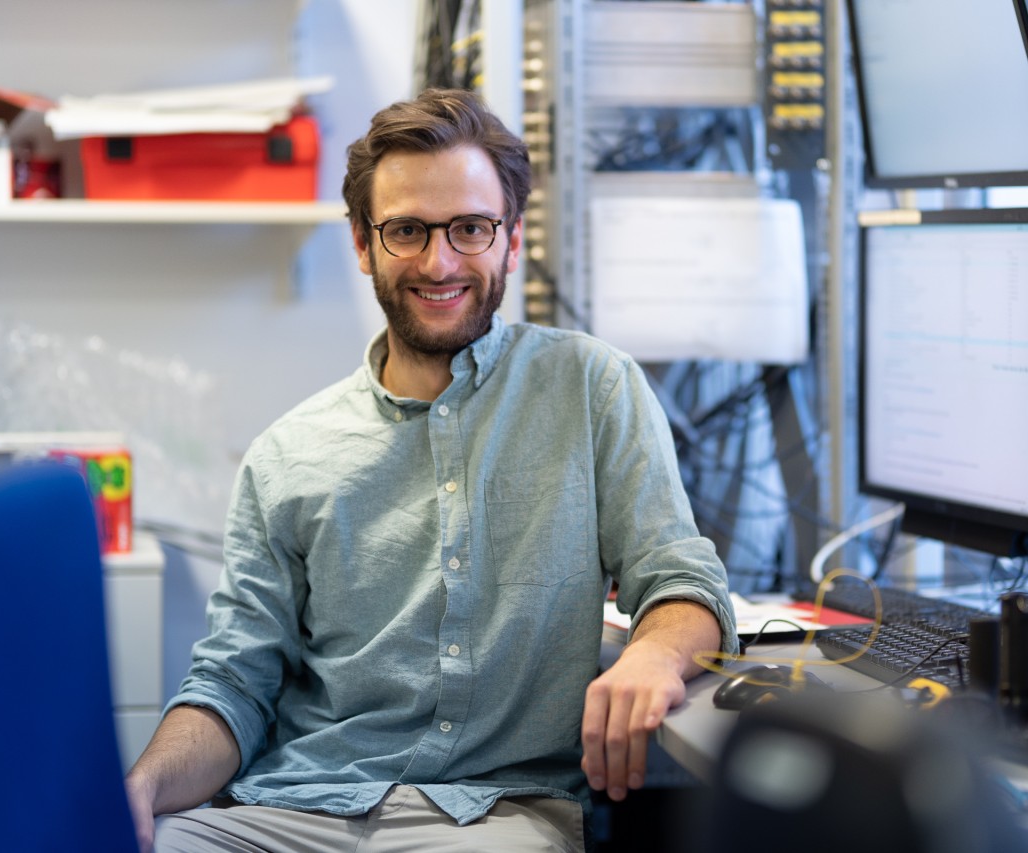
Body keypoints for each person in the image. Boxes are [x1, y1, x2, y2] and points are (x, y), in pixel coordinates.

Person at [123, 87, 739, 853]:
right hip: (289, 810)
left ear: (511, 240)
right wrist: (142, 786)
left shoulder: (592, 389)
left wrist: (652, 652)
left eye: (470, 229)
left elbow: (682, 578)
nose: (438, 261)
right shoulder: (287, 454)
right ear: (362, 243)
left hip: (496, 817)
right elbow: (233, 684)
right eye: (407, 229)